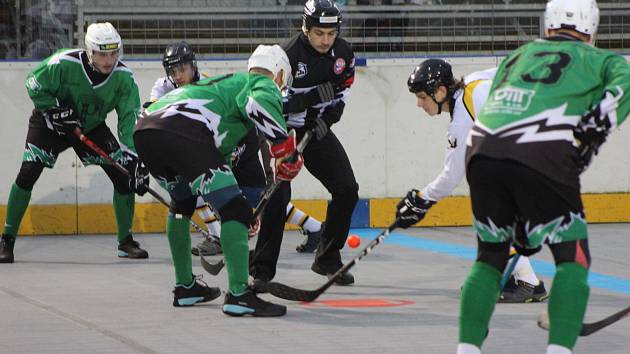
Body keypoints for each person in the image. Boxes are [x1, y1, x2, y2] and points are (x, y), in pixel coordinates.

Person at [457, 1, 630, 353]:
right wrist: (586, 139)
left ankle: (467, 349)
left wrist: (525, 217)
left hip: (482, 154)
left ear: (548, 25)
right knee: (573, 257)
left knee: (490, 256)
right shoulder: (604, 61)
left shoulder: (518, 56)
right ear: (592, 28)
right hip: (543, 154)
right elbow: (621, 92)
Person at [135, 44, 303, 315]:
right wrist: (285, 150)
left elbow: (212, 161)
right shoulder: (260, 81)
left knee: (182, 205)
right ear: (280, 75)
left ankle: (185, 288)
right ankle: (239, 295)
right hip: (181, 131)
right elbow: (257, 103)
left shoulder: (224, 87)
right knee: (234, 209)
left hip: (146, 131)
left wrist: (231, 214)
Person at [147, 41, 324, 256]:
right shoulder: (163, 87)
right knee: (212, 188)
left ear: (193, 66)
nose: (178, 76)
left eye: (182, 69)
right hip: (213, 141)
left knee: (251, 194)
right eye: (173, 71)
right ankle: (311, 226)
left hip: (239, 135)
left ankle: (311, 226)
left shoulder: (206, 84)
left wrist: (281, 146)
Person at [396, 59, 548, 303]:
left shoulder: (462, 116)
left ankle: (527, 282)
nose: (419, 104)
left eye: (423, 97)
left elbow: (451, 175)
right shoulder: (472, 83)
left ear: (441, 91)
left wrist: (421, 201)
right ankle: (517, 277)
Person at [0, 22, 148, 263]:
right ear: (90, 51)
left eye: (113, 53)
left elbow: (129, 120)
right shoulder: (63, 62)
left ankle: (125, 241)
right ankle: (6, 239)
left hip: (90, 128)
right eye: (102, 53)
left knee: (124, 177)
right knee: (28, 172)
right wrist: (54, 109)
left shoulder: (123, 78)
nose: (108, 60)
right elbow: (33, 83)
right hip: (50, 124)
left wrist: (135, 158)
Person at [250, 0, 358, 291]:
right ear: (306, 29)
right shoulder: (286, 55)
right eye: (319, 33)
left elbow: (343, 89)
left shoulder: (344, 53)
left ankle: (327, 257)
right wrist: (311, 99)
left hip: (314, 126)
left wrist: (330, 117)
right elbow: (269, 103)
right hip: (277, 128)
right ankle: (261, 271)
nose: (326, 40)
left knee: (347, 189)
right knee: (278, 195)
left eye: (331, 33)